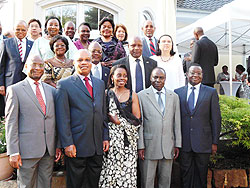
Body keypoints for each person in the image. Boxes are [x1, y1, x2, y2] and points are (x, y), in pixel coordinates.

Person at [5, 54, 61, 188]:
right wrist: (13, 152)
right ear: (26, 67)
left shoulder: (51, 90)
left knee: (45, 184)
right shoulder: (15, 90)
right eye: (34, 64)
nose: (37, 68)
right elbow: (11, 122)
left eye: (40, 65)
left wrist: (58, 145)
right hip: (26, 151)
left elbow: (56, 121)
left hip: (48, 150)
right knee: (26, 185)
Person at [55, 49, 109, 188]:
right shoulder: (64, 84)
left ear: (91, 62)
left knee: (94, 182)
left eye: (87, 60)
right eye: (80, 60)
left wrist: (105, 136)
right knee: (76, 183)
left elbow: (103, 113)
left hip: (97, 145)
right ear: (74, 63)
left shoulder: (99, 83)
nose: (84, 63)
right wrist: (67, 143)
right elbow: (62, 118)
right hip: (76, 145)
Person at [174, 64, 221, 188]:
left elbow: (216, 118)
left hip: (204, 142)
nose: (195, 75)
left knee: (201, 175)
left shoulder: (211, 92)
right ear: (187, 74)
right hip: (184, 142)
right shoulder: (178, 92)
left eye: (198, 73)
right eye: (192, 73)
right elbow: (175, 119)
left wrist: (215, 142)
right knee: (185, 175)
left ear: (202, 75)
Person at [138, 67, 181, 188]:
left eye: (161, 78)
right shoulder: (141, 96)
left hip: (168, 147)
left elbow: (176, 122)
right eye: (155, 77)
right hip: (149, 147)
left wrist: (177, 144)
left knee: (165, 181)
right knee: (147, 181)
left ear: (165, 79)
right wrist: (140, 146)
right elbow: (140, 123)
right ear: (150, 78)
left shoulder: (174, 96)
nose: (158, 80)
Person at [99, 64, 141, 187]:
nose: (122, 78)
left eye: (125, 76)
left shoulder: (132, 95)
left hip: (128, 144)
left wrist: (119, 122)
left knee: (127, 177)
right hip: (111, 144)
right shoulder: (106, 94)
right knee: (110, 176)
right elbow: (102, 119)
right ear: (112, 77)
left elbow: (137, 122)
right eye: (119, 75)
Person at [0, 20, 33, 97]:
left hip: (26, 80)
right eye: (18, 29)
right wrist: (1, 84)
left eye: (23, 30)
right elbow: (1, 65)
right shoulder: (6, 43)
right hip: (10, 81)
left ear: (27, 30)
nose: (20, 32)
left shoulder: (32, 44)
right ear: (14, 29)